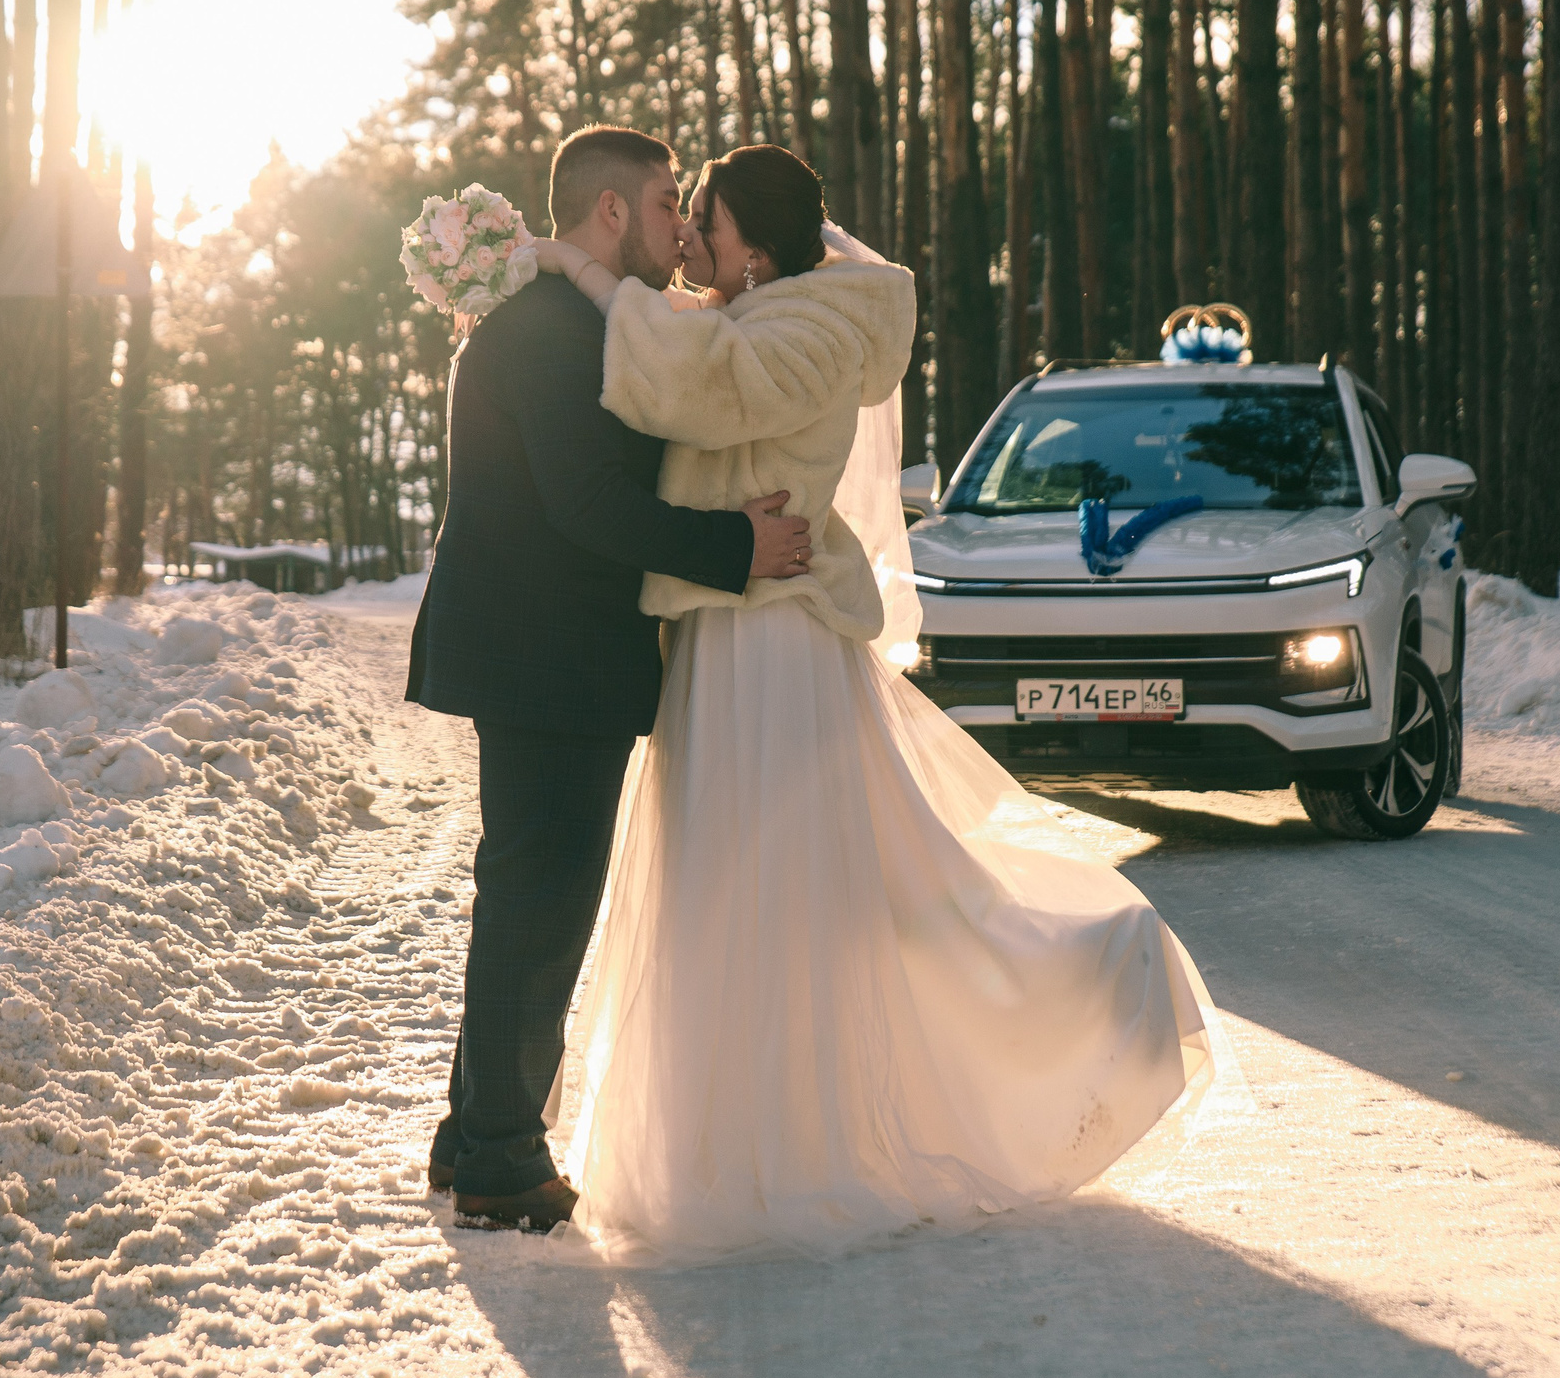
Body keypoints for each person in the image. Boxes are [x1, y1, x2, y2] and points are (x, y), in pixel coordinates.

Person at [528, 144, 1215, 1264]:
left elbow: (693, 385)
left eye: (706, 219)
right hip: (724, 633)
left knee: (784, 892)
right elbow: (687, 355)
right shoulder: (752, 313)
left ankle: (815, 1140)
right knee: (722, 887)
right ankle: (729, 1141)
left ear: (757, 248)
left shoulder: (810, 330)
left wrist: (587, 273)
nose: (688, 234)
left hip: (774, 645)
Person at [406, 125, 816, 1232]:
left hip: (549, 652)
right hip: (544, 653)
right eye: (669, 200)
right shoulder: (550, 332)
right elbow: (588, 504)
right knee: (539, 904)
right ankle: (499, 1162)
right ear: (611, 212)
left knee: (528, 897)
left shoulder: (577, 318)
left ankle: (472, 1132)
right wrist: (735, 546)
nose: (681, 224)